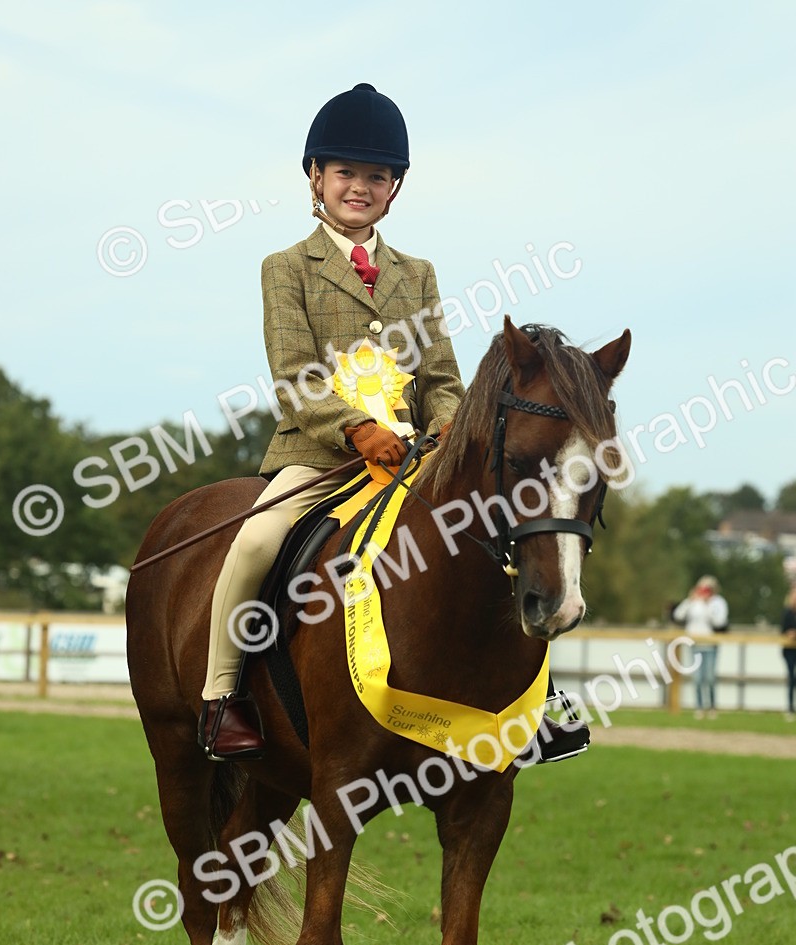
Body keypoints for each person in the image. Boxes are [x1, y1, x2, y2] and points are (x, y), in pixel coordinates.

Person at [198, 83, 589, 767]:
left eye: (375, 176)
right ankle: (223, 696)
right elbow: (294, 376)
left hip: (416, 458)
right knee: (257, 540)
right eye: (345, 173)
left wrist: (445, 432)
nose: (360, 187)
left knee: (505, 532)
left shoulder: (418, 273)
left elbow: (443, 382)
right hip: (319, 455)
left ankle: (539, 698)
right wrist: (356, 429)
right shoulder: (286, 268)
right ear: (315, 178)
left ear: (394, 188)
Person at [673, 575, 729, 718]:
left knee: (709, 677)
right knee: (697, 678)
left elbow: (719, 622)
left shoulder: (718, 602)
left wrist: (707, 604)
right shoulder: (693, 602)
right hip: (695, 644)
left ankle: (711, 707)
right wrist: (690, 600)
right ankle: (698, 707)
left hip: (710, 644)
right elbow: (678, 615)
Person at [781, 584, 796, 721]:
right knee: (791, 678)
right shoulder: (787, 613)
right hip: (789, 651)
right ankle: (790, 707)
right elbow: (782, 630)